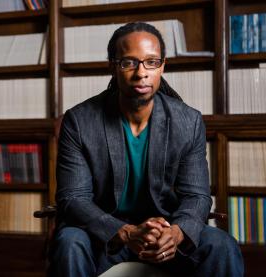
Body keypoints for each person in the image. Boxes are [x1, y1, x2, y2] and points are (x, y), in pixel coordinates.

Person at [48, 22, 244, 277]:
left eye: (151, 62)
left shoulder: (189, 121)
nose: (141, 72)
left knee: (221, 245)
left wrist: (176, 233)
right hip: (104, 236)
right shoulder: (80, 121)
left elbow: (197, 196)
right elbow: (73, 198)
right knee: (69, 242)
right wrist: (125, 232)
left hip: (164, 233)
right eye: (129, 62)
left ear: (162, 66)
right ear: (113, 65)